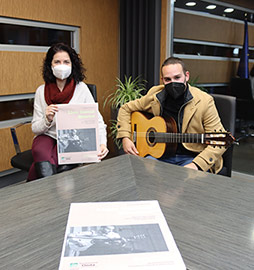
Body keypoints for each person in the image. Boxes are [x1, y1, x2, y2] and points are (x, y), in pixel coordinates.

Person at [116, 57, 226, 173]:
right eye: (168, 79)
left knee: (185, 180)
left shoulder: (204, 101)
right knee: (142, 172)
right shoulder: (156, 95)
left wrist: (196, 165)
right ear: (162, 80)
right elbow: (125, 108)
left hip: (192, 157)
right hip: (160, 155)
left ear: (186, 76)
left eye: (177, 77)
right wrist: (125, 137)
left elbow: (220, 140)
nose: (173, 83)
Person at [28, 43, 108, 181]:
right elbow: (35, 128)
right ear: (50, 65)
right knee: (39, 150)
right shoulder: (41, 91)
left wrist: (102, 143)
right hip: (48, 135)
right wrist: (47, 119)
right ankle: (55, 190)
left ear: (72, 65)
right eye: (57, 62)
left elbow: (97, 119)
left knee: (46, 164)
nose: (62, 65)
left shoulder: (81, 88)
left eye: (66, 62)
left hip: (72, 138)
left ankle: (44, 190)